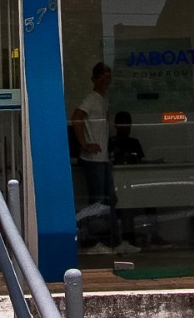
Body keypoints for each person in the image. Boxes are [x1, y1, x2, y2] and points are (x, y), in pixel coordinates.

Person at [70, 62, 138, 255]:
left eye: (108, 78)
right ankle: (95, 242)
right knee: (98, 201)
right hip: (93, 160)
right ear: (95, 79)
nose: (106, 82)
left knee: (110, 200)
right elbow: (76, 118)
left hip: (103, 159)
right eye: (103, 78)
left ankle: (115, 241)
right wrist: (85, 145)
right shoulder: (91, 99)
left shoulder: (103, 100)